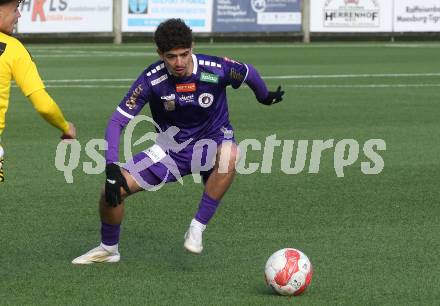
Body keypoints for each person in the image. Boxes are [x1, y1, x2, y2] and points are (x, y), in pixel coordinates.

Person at [72, 18, 283, 264]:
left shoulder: (216, 67)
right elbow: (117, 121)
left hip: (212, 142)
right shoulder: (151, 80)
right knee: (110, 193)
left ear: (192, 47)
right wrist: (110, 166)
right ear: (160, 53)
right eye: (171, 56)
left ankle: (197, 227)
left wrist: (265, 96)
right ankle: (109, 249)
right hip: (170, 151)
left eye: (184, 54)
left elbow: (248, 72)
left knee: (231, 154)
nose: (179, 62)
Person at [0, 0, 76, 182]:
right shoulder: (14, 49)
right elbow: (44, 106)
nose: (18, 15)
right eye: (15, 9)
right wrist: (66, 128)